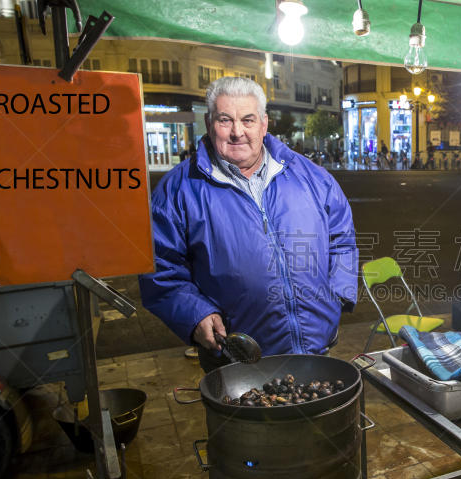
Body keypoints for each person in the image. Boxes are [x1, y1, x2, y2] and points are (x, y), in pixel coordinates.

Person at [139, 77, 358, 373]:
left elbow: (342, 237)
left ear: (264, 124)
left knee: (317, 418)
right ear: (208, 122)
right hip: (237, 361)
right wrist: (196, 316)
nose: (237, 132)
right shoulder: (177, 190)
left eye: (248, 120)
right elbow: (159, 268)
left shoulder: (311, 176)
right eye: (225, 120)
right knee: (246, 422)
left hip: (317, 350)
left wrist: (338, 295)